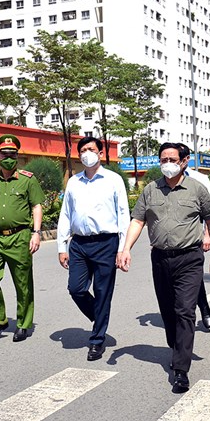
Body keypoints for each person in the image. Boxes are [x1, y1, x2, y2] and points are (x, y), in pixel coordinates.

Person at [117, 142, 210, 394]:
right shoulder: (151, 190)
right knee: (168, 312)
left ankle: (181, 369)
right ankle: (177, 348)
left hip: (190, 258)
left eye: (172, 159)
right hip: (161, 259)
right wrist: (125, 248)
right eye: (163, 159)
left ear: (184, 161)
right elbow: (137, 221)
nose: (167, 164)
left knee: (185, 310)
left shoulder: (197, 189)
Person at [57, 136, 130, 361]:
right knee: (76, 289)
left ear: (100, 153)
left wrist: (123, 247)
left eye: (92, 149)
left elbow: (123, 214)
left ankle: (97, 340)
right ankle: (99, 318)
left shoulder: (113, 179)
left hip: (106, 243)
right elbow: (66, 214)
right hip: (78, 243)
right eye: (83, 150)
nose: (87, 153)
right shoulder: (74, 182)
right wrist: (62, 246)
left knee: (102, 292)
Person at [0, 134, 45, 342]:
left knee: (22, 283)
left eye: (12, 154)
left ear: (17, 157)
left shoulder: (28, 179)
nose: (8, 157)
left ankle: (24, 323)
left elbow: (36, 206)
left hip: (20, 237)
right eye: (4, 154)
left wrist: (36, 233)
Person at [179, 143, 210, 329]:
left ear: (187, 159)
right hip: (174, 241)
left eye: (179, 158)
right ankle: (201, 305)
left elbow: (209, 214)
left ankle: (202, 307)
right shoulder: (163, 180)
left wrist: (207, 235)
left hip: (195, 236)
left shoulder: (200, 179)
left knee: (194, 275)